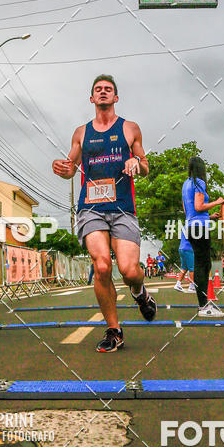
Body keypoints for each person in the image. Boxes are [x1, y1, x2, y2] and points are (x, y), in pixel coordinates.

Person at [52, 74, 157, 352]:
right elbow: (70, 169)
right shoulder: (81, 133)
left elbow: (146, 166)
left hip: (123, 208)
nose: (103, 92)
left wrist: (136, 162)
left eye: (108, 89)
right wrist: (61, 168)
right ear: (91, 98)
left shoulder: (130, 128)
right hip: (91, 208)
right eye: (98, 89)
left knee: (129, 270)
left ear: (115, 97)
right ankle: (114, 330)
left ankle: (140, 292)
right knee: (101, 266)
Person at [181, 156, 224, 317]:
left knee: (202, 264)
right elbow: (199, 206)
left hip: (190, 226)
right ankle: (203, 306)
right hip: (199, 228)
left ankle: (204, 304)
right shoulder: (199, 182)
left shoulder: (186, 184)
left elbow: (188, 210)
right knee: (203, 265)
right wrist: (217, 202)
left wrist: (209, 216)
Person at [175, 228, 196, 293]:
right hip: (188, 249)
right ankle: (192, 287)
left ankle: (178, 284)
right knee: (192, 268)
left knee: (184, 268)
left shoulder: (185, 226)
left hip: (182, 248)